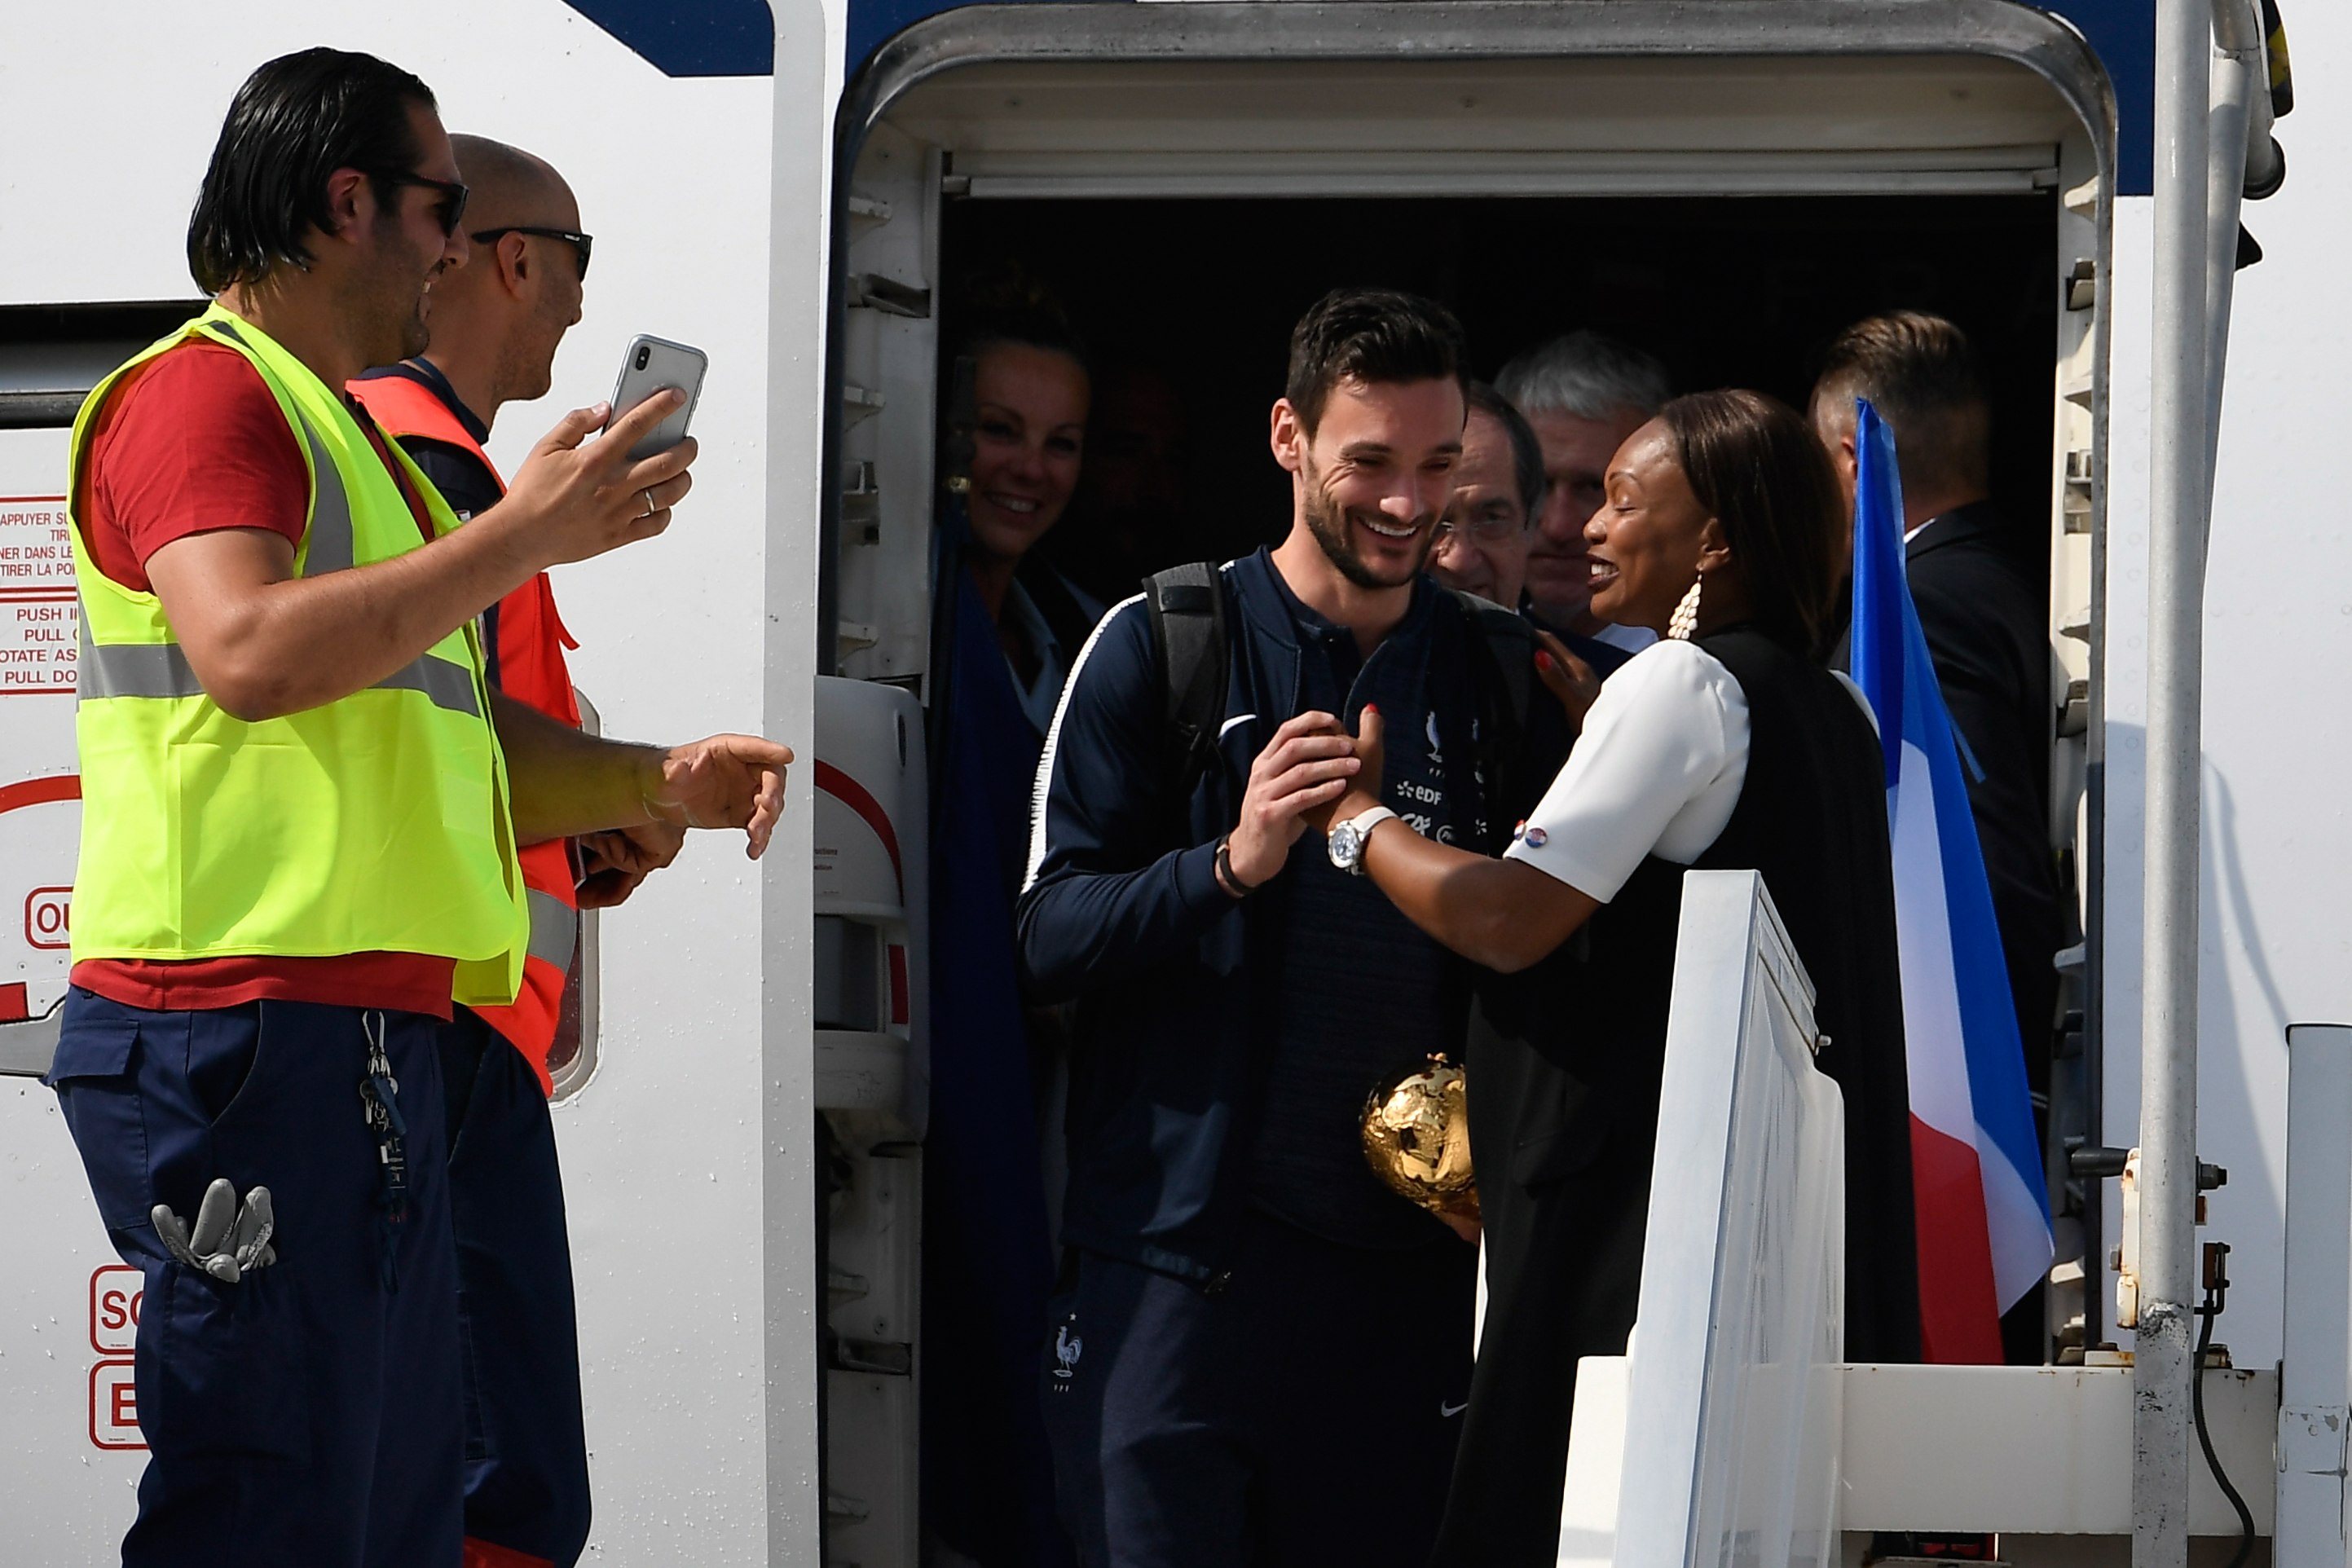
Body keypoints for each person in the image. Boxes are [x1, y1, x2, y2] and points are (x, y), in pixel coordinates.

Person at [47, 50, 791, 1567]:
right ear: (346, 204)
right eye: (441, 207)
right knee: (273, 1508)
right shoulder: (202, 394)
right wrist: (518, 533)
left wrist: (660, 780)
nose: (459, 249)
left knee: (381, 1517)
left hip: (345, 1043)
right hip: (235, 1032)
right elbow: (249, 652)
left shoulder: (352, 442)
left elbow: (460, 748)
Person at [1307, 390, 1918, 1566]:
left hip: (1629, 1267)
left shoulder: (1679, 688)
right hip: (1772, 1281)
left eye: (1622, 499)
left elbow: (1502, 920)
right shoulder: (1833, 708)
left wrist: (1353, 820)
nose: (1582, 527)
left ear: (1715, 543)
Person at [1018, 287, 1566, 1568]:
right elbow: (1043, 937)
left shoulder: (1499, 675)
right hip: (1173, 1285)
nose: (1404, 503)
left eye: (1437, 466)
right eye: (1367, 462)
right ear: (1287, 438)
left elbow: (1567, 951)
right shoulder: (1163, 642)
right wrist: (1229, 861)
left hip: (1406, 1292)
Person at [347, 134, 675, 1568]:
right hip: (438, 1037)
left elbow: (449, 756)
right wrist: (657, 784)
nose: (581, 310)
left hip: (446, 1030)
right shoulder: (427, 467)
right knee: (501, 1488)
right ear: (514, 257)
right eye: (575, 266)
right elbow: (431, 767)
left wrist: (590, 813)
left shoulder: (443, 470)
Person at [1809, 311, 2062, 1363]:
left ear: (1847, 458)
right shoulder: (2019, 570)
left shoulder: (1925, 610)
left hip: (1962, 1070)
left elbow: (1979, 862)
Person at [923, 306, 1097, 1568]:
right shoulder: (898, 613)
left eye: (1060, 442)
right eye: (999, 431)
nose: (1029, 468)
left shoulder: (1086, 639)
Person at [1431, 382, 1632, 678]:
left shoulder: (1614, 693)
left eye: (1491, 519)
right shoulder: (1340, 679)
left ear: (1529, 524)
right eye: (1435, 524)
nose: (1458, 560)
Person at [1495, 328, 1671, 657]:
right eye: (1539, 484)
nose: (1559, 527)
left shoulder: (1708, 673)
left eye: (1594, 487)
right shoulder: (1448, 647)